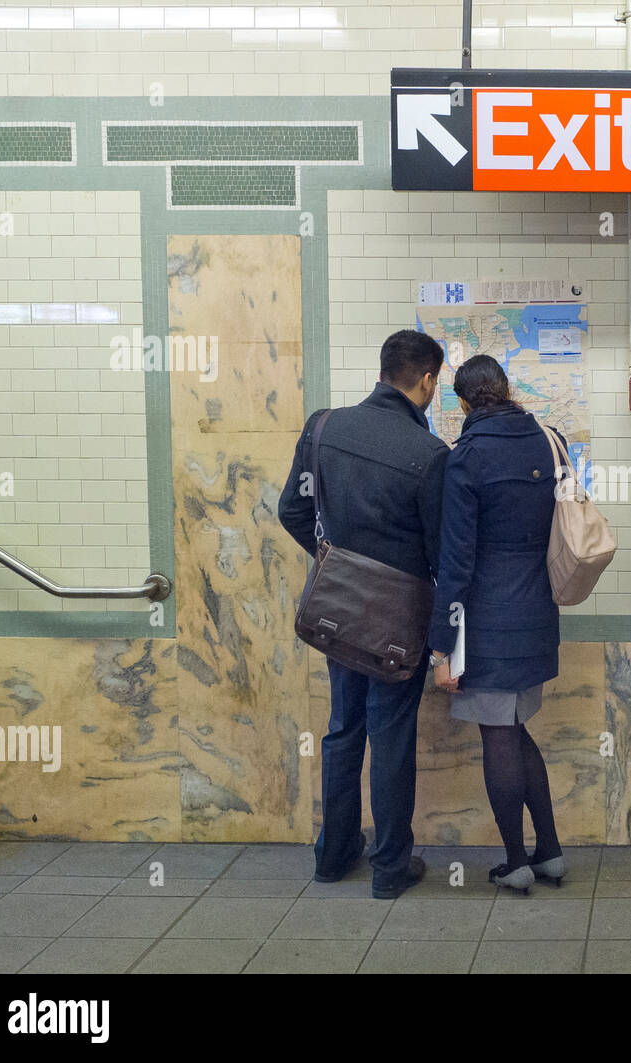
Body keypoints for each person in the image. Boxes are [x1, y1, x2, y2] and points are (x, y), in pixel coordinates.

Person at [279, 330, 448, 900]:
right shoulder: (430, 455)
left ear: (382, 371)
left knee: (343, 729)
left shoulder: (324, 427)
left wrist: (338, 568)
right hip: (397, 625)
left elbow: (292, 510)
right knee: (391, 737)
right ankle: (389, 869)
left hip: (337, 613)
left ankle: (333, 857)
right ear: (427, 380)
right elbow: (439, 552)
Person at [427, 355, 566, 893]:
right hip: (537, 611)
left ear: (463, 404)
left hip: (487, 619)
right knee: (516, 726)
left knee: (499, 734)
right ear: (506, 390)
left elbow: (456, 562)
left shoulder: (465, 458)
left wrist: (442, 646)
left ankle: (516, 862)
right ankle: (549, 852)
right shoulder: (549, 442)